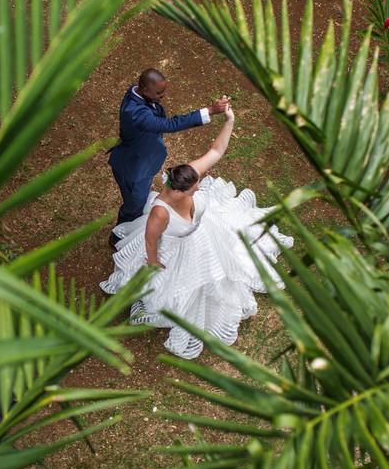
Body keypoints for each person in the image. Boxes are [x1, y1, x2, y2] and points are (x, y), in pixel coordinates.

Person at [100, 104, 293, 359]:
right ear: (178, 191)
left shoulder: (188, 175)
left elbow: (216, 151)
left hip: (208, 233)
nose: (198, 190)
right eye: (193, 190)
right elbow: (150, 238)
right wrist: (155, 262)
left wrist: (229, 120)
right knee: (181, 289)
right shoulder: (161, 212)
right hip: (177, 248)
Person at [108, 69, 230, 249]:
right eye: (159, 93)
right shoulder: (136, 114)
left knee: (138, 200)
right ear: (144, 90)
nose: (163, 96)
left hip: (142, 158)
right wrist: (210, 110)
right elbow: (169, 124)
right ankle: (119, 236)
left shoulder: (135, 92)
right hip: (134, 169)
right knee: (134, 204)